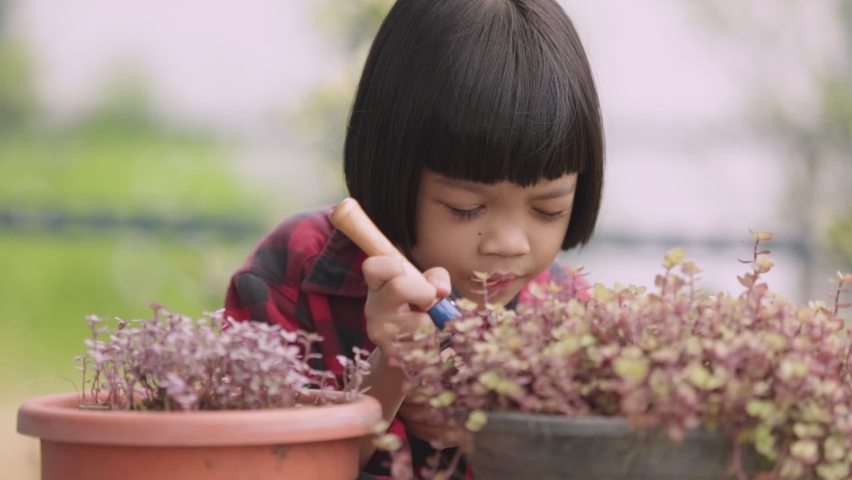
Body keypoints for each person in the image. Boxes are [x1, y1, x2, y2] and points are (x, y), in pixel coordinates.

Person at [223, 0, 604, 477]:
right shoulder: (294, 272)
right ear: (393, 167)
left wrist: (491, 437)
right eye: (466, 208)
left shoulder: (575, 316)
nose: (510, 244)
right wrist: (388, 378)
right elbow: (254, 464)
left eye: (549, 209)